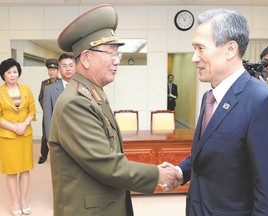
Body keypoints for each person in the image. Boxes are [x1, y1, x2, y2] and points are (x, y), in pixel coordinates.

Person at [48, 4, 181, 216]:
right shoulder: (76, 102)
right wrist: (157, 174)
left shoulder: (93, 94)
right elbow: (107, 164)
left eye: (117, 53)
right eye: (110, 52)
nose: (116, 60)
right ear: (87, 58)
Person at [162, 8, 268, 215]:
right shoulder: (209, 98)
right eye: (194, 48)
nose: (194, 58)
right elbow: (211, 154)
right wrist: (180, 171)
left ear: (230, 49)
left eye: (201, 48)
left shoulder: (263, 102)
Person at [0, 58, 36, 216]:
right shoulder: (0, 92)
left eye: (15, 71)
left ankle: (23, 200)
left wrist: (24, 124)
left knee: (25, 169)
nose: (12, 75)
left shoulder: (27, 89)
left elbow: (32, 111)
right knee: (12, 171)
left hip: (25, 135)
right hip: (8, 136)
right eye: (9, 72)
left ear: (18, 73)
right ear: (3, 75)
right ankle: (14, 202)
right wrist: (14, 127)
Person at [43, 53, 75, 140]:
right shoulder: (49, 90)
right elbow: (48, 116)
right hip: (59, 136)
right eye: (64, 66)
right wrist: (50, 139)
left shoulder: (83, 87)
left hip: (79, 135)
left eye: (70, 65)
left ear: (75, 68)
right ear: (59, 69)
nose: (68, 69)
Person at [38, 59, 60, 164]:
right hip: (47, 114)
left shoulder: (61, 83)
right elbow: (40, 98)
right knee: (45, 135)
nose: (52, 72)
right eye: (50, 70)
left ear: (58, 71)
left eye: (54, 70)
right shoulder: (44, 84)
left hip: (58, 114)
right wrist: (46, 108)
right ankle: (43, 155)